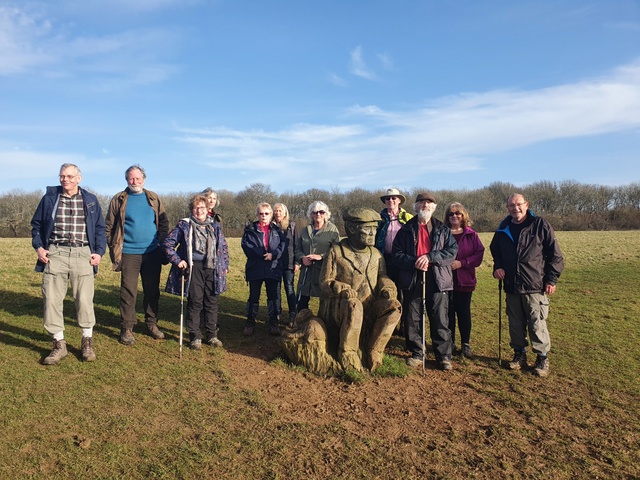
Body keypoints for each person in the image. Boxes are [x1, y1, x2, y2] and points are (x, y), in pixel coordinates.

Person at [30, 163, 106, 365]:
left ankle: (87, 342)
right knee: (52, 300)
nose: (65, 180)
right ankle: (58, 344)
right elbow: (36, 225)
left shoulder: (90, 200)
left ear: (79, 178)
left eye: (70, 176)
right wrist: (39, 247)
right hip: (56, 253)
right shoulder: (49, 198)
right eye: (62, 176)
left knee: (84, 300)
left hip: (83, 253)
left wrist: (99, 252)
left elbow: (100, 228)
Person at [490, 193, 564, 377]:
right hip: (512, 285)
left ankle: (542, 358)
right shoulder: (503, 227)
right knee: (515, 323)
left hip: (535, 285)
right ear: (507, 208)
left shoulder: (539, 225)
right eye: (511, 206)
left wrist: (551, 279)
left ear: (526, 205)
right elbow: (495, 250)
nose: (516, 208)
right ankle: (519, 355)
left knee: (536, 323)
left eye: (519, 204)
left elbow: (555, 255)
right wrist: (498, 266)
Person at [318, 208, 402, 371]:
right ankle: (348, 353)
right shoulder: (337, 251)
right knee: (354, 305)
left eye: (375, 229)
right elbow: (325, 281)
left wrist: (388, 286)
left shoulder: (376, 254)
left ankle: (373, 350)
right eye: (367, 229)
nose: (373, 234)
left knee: (394, 307)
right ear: (351, 229)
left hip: (370, 305)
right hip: (341, 308)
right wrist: (338, 287)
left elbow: (382, 276)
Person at [105, 165, 169, 346]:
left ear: (144, 179)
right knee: (128, 291)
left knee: (152, 290)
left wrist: (161, 242)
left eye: (138, 178)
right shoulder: (118, 199)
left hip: (151, 252)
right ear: (126, 180)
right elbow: (109, 226)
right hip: (128, 254)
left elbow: (164, 222)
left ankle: (151, 323)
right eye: (131, 179)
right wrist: (114, 246)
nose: (135, 182)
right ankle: (127, 327)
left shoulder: (153, 198)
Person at [392, 192, 458, 370]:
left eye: (428, 203)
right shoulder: (405, 229)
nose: (425, 206)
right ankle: (417, 353)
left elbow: (452, 252)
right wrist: (414, 262)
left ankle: (443, 356)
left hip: (437, 278)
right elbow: (396, 255)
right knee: (412, 318)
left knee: (439, 318)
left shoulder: (442, 229)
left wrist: (430, 257)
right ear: (415, 206)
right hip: (412, 278)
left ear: (433, 207)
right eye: (421, 203)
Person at [163, 194, 229, 349]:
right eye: (196, 207)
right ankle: (195, 336)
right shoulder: (184, 225)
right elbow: (167, 244)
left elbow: (223, 248)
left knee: (212, 302)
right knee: (195, 301)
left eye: (202, 207)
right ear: (192, 209)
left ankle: (212, 335)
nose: (199, 210)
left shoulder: (215, 226)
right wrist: (178, 260)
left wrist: (224, 265)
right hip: (194, 268)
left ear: (207, 209)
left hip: (213, 268)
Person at [444, 202, 485, 359]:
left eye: (458, 213)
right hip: (446, 280)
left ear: (463, 215)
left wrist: (463, 263)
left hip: (465, 280)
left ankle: (465, 345)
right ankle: (451, 343)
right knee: (448, 313)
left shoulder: (471, 235)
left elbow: (479, 254)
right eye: (451, 213)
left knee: (464, 313)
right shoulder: (443, 233)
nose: (454, 216)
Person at [241, 203, 287, 336]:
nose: (264, 216)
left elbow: (283, 245)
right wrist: (262, 254)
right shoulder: (250, 229)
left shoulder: (277, 230)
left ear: (271, 215)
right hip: (256, 267)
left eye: (266, 214)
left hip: (273, 267)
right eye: (261, 213)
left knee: (273, 296)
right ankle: (250, 321)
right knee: (254, 296)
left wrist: (273, 255)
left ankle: (274, 322)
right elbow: (246, 246)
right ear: (257, 214)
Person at [295, 201, 340, 312]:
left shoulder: (332, 230)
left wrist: (321, 256)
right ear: (311, 214)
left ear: (326, 214)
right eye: (315, 212)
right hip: (306, 271)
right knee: (302, 299)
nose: (318, 214)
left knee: (325, 299)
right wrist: (302, 258)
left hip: (324, 270)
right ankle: (299, 322)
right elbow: (297, 247)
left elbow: (337, 251)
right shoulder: (306, 230)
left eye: (321, 212)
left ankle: (323, 325)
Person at [375, 188, 413, 283]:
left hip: (403, 257)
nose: (390, 200)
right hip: (384, 257)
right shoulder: (379, 218)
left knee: (403, 285)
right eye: (388, 198)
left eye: (393, 198)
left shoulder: (408, 217)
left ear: (399, 200)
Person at [273, 203, 299, 327]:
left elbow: (297, 246)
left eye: (280, 211)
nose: (278, 213)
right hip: (275, 264)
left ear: (285, 213)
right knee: (276, 290)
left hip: (289, 263)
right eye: (276, 211)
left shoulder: (292, 226)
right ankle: (277, 315)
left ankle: (293, 315)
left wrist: (297, 262)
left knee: (289, 288)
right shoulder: (271, 226)